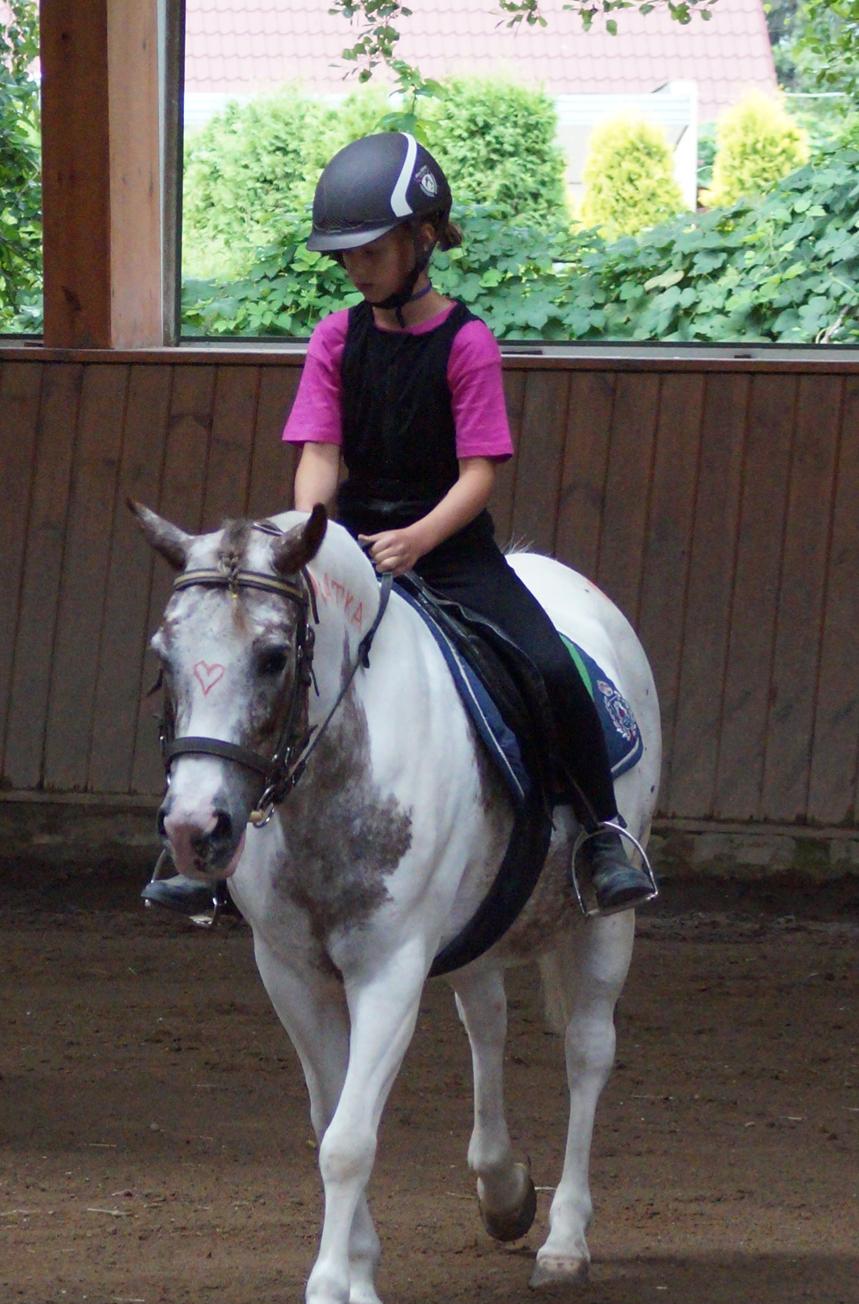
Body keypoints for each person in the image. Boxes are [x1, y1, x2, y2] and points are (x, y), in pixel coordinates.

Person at [145, 133, 652, 917]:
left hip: (447, 551)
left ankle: (602, 832)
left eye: (371, 251)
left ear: (423, 238)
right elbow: (319, 453)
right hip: (348, 547)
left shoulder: (467, 344)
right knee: (242, 661)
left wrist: (418, 539)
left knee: (549, 668)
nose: (356, 267)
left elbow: (478, 475)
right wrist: (312, 536)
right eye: (345, 255)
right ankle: (199, 847)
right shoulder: (334, 338)